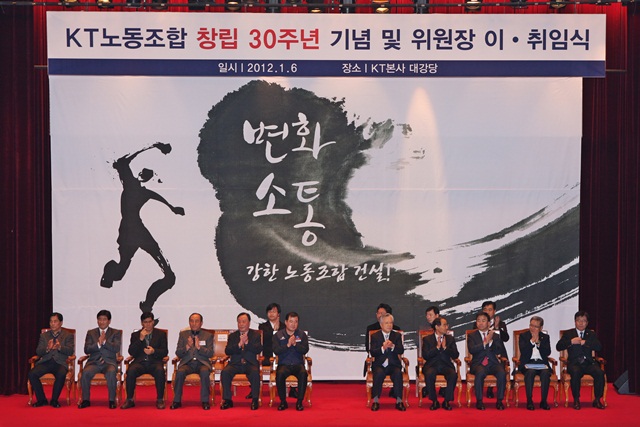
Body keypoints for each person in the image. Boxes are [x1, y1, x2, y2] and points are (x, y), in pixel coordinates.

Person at [100, 142, 185, 314]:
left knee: (169, 276)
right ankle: (109, 274)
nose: (145, 176)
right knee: (120, 272)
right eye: (144, 173)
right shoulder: (129, 183)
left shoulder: (144, 192)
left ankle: (147, 305)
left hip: (138, 231)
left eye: (148, 175)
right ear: (139, 174)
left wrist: (172, 208)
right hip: (128, 233)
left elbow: (157, 196)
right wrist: (153, 145)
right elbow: (122, 161)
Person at [556, 310, 605, 410]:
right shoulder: (569, 334)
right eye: (579, 320)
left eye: (584, 321)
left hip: (589, 363)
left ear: (587, 323)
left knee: (599, 373)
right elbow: (559, 346)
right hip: (574, 363)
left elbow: (599, 347)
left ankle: (597, 400)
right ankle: (576, 400)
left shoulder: (591, 334)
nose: (581, 323)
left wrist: (585, 342)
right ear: (575, 322)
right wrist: (571, 342)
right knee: (575, 372)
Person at [121, 312, 168, 410]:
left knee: (160, 371)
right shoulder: (135, 335)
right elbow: (131, 352)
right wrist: (140, 339)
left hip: (154, 362)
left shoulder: (161, 334)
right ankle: (129, 400)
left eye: (150, 322)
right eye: (145, 322)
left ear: (153, 322)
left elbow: (165, 351)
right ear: (142, 323)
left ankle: (160, 399)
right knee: (131, 370)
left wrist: (153, 351)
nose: (148, 324)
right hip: (140, 362)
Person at [28, 312, 74, 408]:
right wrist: (47, 349)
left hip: (60, 363)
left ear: (61, 323)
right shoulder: (44, 336)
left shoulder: (68, 335)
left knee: (61, 374)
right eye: (51, 321)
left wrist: (60, 347)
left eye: (55, 321)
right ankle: (42, 400)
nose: (52, 324)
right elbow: (38, 351)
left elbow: (70, 351)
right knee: (32, 374)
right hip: (46, 362)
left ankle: (54, 400)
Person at [78, 310, 122, 409]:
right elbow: (86, 349)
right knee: (85, 373)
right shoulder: (91, 333)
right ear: (97, 320)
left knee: (111, 372)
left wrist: (105, 342)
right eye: (100, 319)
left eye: (104, 319)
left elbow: (116, 348)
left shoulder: (116, 332)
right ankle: (86, 400)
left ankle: (112, 400)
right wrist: (98, 344)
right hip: (94, 362)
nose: (102, 322)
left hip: (109, 363)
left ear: (109, 321)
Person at [220, 312, 263, 410]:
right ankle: (227, 400)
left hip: (250, 363)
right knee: (225, 372)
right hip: (235, 363)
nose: (241, 324)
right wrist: (239, 344)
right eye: (239, 322)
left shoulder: (255, 335)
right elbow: (228, 351)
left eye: (244, 322)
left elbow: (258, 349)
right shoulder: (233, 336)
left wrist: (247, 343)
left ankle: (255, 400)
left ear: (249, 323)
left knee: (255, 373)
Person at [170, 313, 214, 410]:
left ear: (201, 323)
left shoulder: (208, 335)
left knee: (205, 372)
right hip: (187, 363)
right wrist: (187, 347)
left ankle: (205, 401)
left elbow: (210, 353)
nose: (194, 323)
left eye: (196, 321)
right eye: (192, 321)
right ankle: (177, 401)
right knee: (180, 372)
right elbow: (178, 352)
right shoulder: (183, 335)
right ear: (189, 322)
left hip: (202, 363)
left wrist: (199, 348)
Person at [468, 312, 507, 411]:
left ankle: (499, 401)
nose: (480, 323)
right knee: (480, 373)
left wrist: (492, 342)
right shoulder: (472, 335)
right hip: (478, 363)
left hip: (493, 363)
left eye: (483, 320)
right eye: (478, 321)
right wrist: (485, 342)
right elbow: (472, 350)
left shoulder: (495, 335)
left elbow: (499, 351)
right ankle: (479, 401)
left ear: (489, 323)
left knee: (502, 373)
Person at [369, 313, 406, 412]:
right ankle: (376, 401)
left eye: (391, 323)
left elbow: (401, 350)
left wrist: (393, 346)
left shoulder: (396, 335)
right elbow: (372, 352)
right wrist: (383, 348)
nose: (389, 325)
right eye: (386, 323)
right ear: (381, 325)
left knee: (398, 374)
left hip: (393, 364)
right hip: (379, 364)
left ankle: (399, 401)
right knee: (379, 373)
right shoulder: (375, 336)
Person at [273, 312, 309, 411]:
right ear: (286, 322)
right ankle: (283, 402)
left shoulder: (301, 335)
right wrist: (288, 345)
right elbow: (276, 350)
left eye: (296, 322)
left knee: (303, 374)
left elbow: (305, 350)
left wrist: (295, 344)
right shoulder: (278, 335)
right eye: (291, 321)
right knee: (279, 374)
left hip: (298, 364)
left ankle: (299, 402)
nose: (293, 324)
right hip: (284, 364)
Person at [421, 317, 458, 411]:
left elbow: (455, 355)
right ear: (437, 327)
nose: (447, 327)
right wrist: (437, 348)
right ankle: (434, 401)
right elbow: (425, 355)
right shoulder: (427, 339)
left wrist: (445, 348)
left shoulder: (450, 339)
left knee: (453, 375)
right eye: (444, 325)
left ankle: (447, 401)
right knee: (429, 374)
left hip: (446, 365)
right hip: (432, 365)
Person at [518, 316, 552, 410]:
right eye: (531, 325)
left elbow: (547, 352)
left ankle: (544, 401)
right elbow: (523, 351)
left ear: (541, 328)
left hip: (541, 363)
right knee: (530, 372)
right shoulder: (523, 336)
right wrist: (531, 341)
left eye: (536, 326)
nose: (532, 328)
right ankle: (529, 401)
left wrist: (539, 343)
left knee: (545, 373)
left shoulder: (545, 337)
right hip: (528, 363)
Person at [480, 301, 509, 399]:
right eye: (485, 310)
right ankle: (485, 387)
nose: (487, 312)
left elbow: (506, 338)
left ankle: (493, 389)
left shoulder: (501, 324)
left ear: (494, 311)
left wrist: (496, 328)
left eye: (490, 310)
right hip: (483, 352)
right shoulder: (478, 324)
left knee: (501, 366)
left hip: (498, 352)